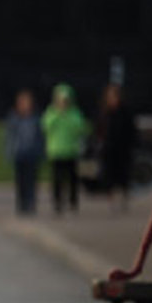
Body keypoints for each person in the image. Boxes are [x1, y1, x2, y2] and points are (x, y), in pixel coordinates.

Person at [41, 83, 90, 215]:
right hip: (56, 151)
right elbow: (46, 126)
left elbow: (80, 128)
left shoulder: (74, 113)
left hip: (71, 151)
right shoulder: (51, 112)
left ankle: (73, 201)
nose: (63, 103)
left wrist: (67, 117)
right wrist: (58, 114)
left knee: (72, 178)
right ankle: (57, 201)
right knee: (57, 178)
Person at [95, 83, 138, 211]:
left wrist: (132, 144)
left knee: (123, 176)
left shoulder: (126, 111)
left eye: (115, 96)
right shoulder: (104, 112)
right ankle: (111, 201)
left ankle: (124, 199)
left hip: (123, 149)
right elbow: (98, 129)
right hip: (108, 150)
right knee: (109, 176)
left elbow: (132, 130)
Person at [5, 89, 44, 215]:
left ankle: (31, 203)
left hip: (32, 154)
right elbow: (9, 137)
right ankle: (21, 204)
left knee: (31, 181)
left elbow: (40, 137)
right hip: (19, 154)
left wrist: (41, 151)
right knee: (20, 181)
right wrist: (9, 151)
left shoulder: (36, 119)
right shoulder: (14, 118)